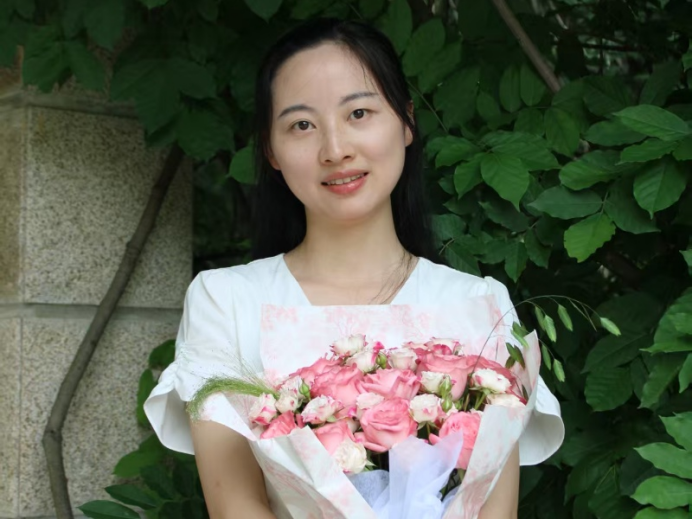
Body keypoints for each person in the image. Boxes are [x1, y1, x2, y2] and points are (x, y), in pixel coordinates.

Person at [144, 18, 564, 519]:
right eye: (302, 125)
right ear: (271, 149)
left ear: (406, 122)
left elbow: (496, 508)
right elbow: (235, 503)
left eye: (359, 113)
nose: (335, 149)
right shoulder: (225, 300)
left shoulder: (479, 304)